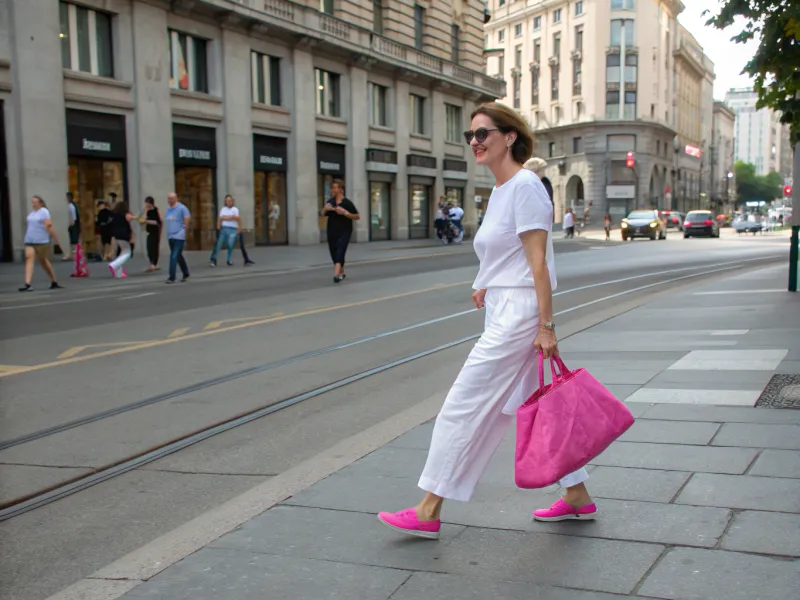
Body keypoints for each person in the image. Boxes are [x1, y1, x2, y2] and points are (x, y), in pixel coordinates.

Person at [378, 102, 595, 539]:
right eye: (470, 136)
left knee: (465, 403)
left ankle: (429, 507)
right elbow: (503, 252)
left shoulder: (526, 186)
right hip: (503, 304)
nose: (475, 142)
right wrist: (486, 282)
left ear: (509, 137)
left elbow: (538, 263)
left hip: (520, 314)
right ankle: (576, 494)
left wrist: (546, 325)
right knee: (531, 403)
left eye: (483, 134)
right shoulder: (500, 190)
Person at [19, 195, 63, 291]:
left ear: (41, 203)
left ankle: (53, 280)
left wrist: (56, 238)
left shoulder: (44, 211)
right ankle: (27, 283)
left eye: (35, 202)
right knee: (29, 258)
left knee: (43, 261)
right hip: (30, 240)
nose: (33, 204)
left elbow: (48, 225)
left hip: (41, 241)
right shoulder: (32, 213)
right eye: (32, 202)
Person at [320, 178, 359, 283]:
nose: (333, 190)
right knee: (333, 251)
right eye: (332, 188)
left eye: (335, 188)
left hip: (345, 231)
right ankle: (341, 272)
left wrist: (345, 213)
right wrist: (325, 209)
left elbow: (357, 216)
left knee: (340, 250)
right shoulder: (330, 202)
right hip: (332, 230)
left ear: (341, 190)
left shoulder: (347, 203)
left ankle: (336, 274)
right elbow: (322, 214)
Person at [164, 192, 191, 283]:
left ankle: (172, 277)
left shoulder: (182, 208)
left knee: (173, 256)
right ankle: (186, 273)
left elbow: (187, 218)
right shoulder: (168, 209)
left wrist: (184, 230)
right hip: (170, 235)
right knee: (178, 255)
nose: (169, 200)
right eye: (168, 198)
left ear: (176, 198)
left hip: (179, 235)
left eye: (171, 198)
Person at [210, 195, 240, 267]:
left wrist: (225, 217)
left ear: (232, 201)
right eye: (227, 201)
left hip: (232, 229)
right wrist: (219, 224)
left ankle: (228, 259)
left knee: (230, 245)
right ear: (225, 202)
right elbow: (220, 218)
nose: (228, 202)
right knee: (219, 244)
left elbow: (236, 218)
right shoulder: (223, 209)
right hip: (224, 228)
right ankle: (213, 259)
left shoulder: (235, 209)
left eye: (230, 200)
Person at [108, 201, 135, 278]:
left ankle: (118, 273)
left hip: (117, 235)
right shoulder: (125, 215)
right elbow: (131, 218)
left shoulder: (115, 215)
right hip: (124, 235)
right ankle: (114, 264)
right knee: (127, 252)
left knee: (123, 252)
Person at [140, 196, 162, 272]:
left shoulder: (156, 210)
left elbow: (158, 222)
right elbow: (143, 219)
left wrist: (147, 221)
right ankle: (152, 264)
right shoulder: (146, 210)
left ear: (151, 203)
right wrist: (145, 215)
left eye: (148, 203)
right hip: (149, 232)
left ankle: (153, 264)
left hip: (155, 232)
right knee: (149, 248)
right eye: (146, 203)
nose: (147, 205)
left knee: (154, 248)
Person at [63, 192, 80, 261]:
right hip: (74, 224)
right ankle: (74, 254)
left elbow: (73, 216)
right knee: (73, 240)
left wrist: (71, 224)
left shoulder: (71, 206)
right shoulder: (73, 205)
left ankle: (74, 255)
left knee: (74, 240)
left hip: (73, 224)